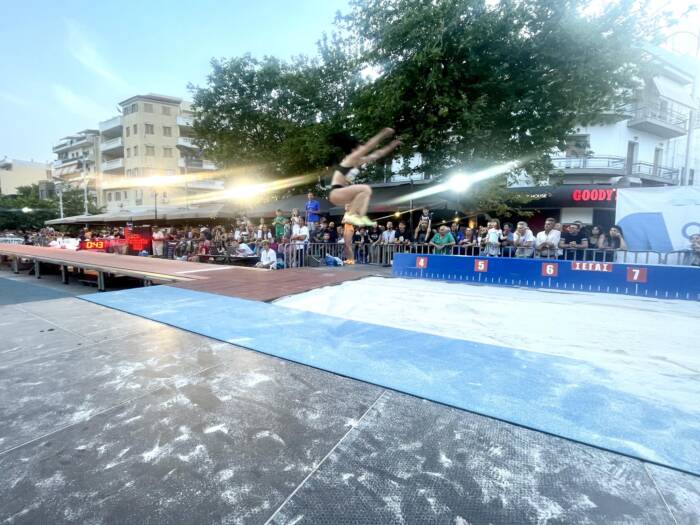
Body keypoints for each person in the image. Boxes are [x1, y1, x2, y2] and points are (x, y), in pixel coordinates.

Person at [328, 127, 402, 226]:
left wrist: (392, 145)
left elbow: (377, 154)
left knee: (366, 194)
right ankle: (350, 215)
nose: (362, 149)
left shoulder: (358, 161)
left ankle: (361, 216)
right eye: (360, 147)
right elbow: (369, 146)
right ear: (354, 149)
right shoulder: (350, 158)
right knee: (365, 189)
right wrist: (383, 133)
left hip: (342, 194)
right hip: (336, 192)